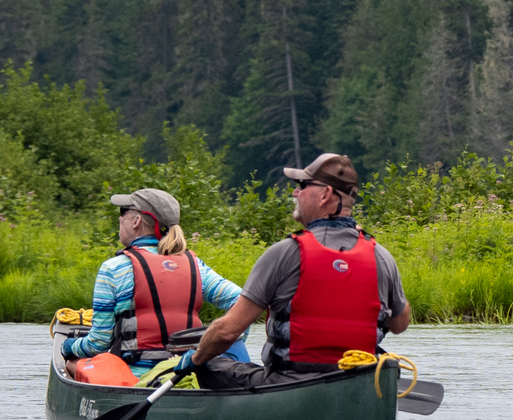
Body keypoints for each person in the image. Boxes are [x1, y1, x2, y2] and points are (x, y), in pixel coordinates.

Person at [186, 153, 411, 388]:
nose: (295, 193)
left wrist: (195, 359)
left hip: (287, 385)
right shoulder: (381, 257)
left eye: (302, 185)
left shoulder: (284, 253)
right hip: (359, 385)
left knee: (210, 365)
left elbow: (226, 332)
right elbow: (399, 324)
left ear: (325, 194)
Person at [60, 188, 247, 378]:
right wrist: (224, 349)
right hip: (187, 375)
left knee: (72, 363)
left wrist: (68, 347)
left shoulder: (113, 269)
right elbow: (241, 302)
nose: (119, 219)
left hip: (136, 379)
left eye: (122, 212)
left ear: (136, 221)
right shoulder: (195, 266)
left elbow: (98, 344)